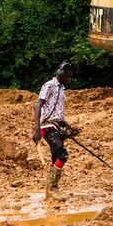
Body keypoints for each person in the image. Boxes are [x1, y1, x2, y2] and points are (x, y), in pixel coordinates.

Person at [31, 61, 81, 199]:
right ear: (61, 74)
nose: (69, 79)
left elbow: (58, 113)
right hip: (47, 126)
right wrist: (36, 129)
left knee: (55, 158)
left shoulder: (62, 90)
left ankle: (49, 192)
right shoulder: (49, 86)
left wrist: (70, 127)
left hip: (58, 126)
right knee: (62, 155)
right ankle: (53, 188)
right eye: (68, 77)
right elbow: (38, 107)